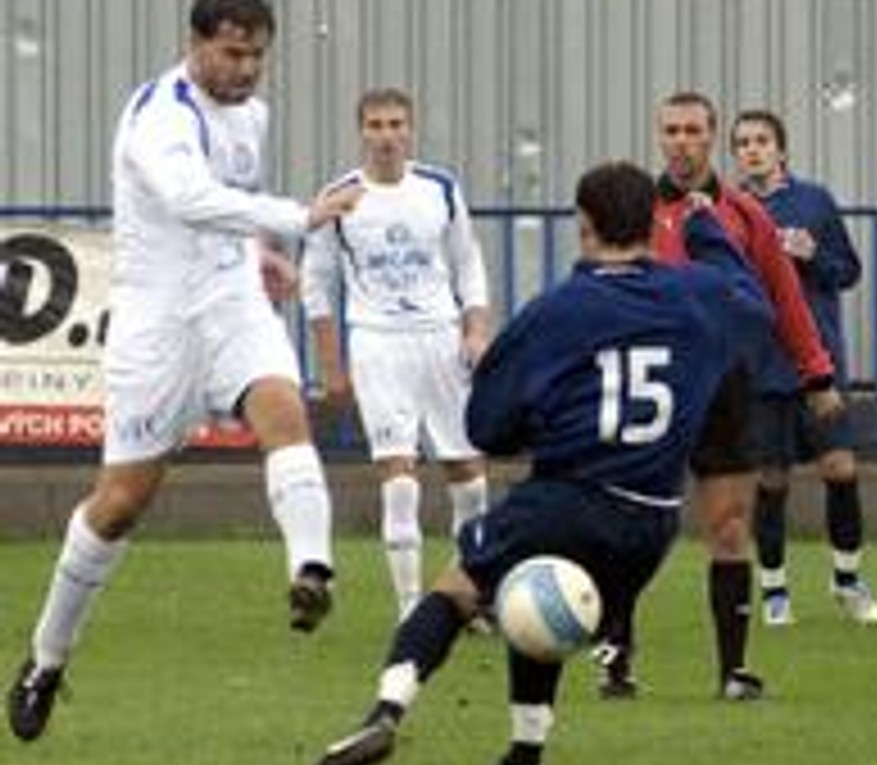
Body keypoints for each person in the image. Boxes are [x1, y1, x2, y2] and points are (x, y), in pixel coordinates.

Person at [311, 159, 771, 765]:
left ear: (585, 225)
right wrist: (707, 231)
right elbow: (755, 305)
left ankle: (385, 712)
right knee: (538, 598)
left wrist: (534, 427)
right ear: (650, 225)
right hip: (652, 522)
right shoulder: (701, 298)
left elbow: (487, 427)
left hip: (570, 497)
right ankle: (525, 751)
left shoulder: (559, 309)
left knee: (458, 589)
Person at [5, 0, 363, 743]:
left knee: (284, 412)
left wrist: (256, 252)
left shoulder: (251, 115)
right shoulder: (159, 115)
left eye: (257, 55)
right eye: (232, 53)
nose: (246, 69)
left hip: (232, 306)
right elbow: (188, 199)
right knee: (119, 505)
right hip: (158, 327)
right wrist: (297, 217)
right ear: (196, 44)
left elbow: (226, 205)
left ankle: (311, 571)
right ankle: (46, 658)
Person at [595, 91, 843, 701]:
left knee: (730, 526)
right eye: (672, 131)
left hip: (725, 385)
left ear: (711, 138)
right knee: (630, 525)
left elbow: (785, 296)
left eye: (693, 131)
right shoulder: (634, 211)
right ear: (660, 137)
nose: (681, 142)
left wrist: (817, 374)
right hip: (650, 382)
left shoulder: (744, 214)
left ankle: (733, 671)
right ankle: (617, 657)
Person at [302, 88, 492, 622]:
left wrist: (477, 329)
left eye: (395, 124)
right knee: (400, 477)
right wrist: (331, 365)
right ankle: (411, 611)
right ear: (361, 131)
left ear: (410, 130)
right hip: (377, 342)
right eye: (376, 125)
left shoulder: (440, 188)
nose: (386, 135)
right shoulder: (340, 196)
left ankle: (466, 594)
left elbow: (467, 262)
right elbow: (317, 285)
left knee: (470, 478)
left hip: (441, 338)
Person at [728, 109, 877, 627]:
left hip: (817, 364)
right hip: (760, 365)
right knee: (771, 479)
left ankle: (848, 580)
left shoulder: (814, 202)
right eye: (743, 143)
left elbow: (849, 271)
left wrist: (813, 255)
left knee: (840, 467)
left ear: (781, 150)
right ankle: (774, 589)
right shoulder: (728, 210)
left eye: (762, 140)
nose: (753, 150)